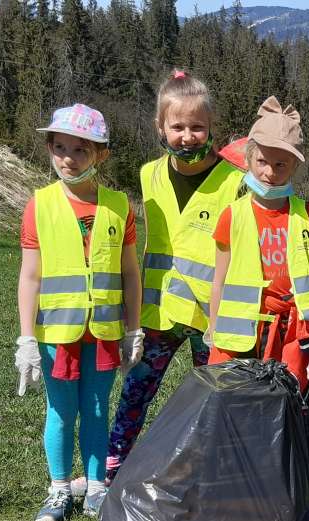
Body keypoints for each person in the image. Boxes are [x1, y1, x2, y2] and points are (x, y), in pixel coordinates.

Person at [93, 70, 245, 488]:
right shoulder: (148, 175)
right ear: (161, 127)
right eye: (177, 126)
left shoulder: (235, 182)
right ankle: (113, 466)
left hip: (209, 316)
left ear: (212, 127)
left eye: (198, 127)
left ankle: (209, 476)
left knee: (213, 399)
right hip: (157, 313)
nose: (188, 136)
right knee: (135, 393)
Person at [206, 96, 309, 521]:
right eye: (263, 161)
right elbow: (220, 278)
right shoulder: (233, 215)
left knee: (295, 422)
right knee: (236, 421)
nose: (270, 172)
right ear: (249, 157)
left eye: (282, 165)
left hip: (294, 340)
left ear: (295, 167)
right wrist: (212, 328)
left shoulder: (308, 218)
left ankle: (295, 507)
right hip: (242, 338)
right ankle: (232, 507)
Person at [14, 103, 144, 521]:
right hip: (58, 333)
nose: (67, 159)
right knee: (60, 411)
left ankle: (95, 487)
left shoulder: (118, 206)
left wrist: (132, 330)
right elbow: (30, 276)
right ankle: (57, 489)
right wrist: (27, 338)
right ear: (50, 149)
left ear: (100, 154)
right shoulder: (40, 205)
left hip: (104, 331)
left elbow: (129, 272)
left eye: (79, 150)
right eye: (59, 148)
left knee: (96, 408)